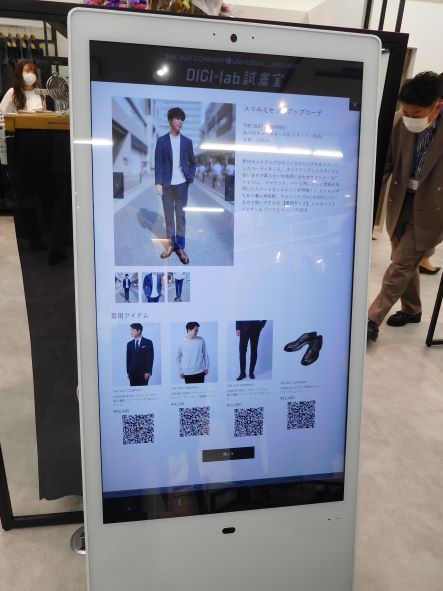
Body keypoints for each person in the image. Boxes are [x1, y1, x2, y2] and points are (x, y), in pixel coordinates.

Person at [367, 72, 443, 342]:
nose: (410, 117)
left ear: (436, 107)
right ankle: (412, 310)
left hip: (434, 206)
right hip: (401, 199)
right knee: (404, 257)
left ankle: (371, 320)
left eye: (417, 113)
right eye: (407, 111)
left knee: (401, 263)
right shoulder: (399, 121)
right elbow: (386, 163)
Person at [155, 107, 196, 265]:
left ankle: (181, 247)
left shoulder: (187, 142)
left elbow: (193, 162)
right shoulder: (162, 141)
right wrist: (158, 182)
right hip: (166, 185)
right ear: (170, 120)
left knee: (180, 217)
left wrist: (190, 178)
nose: (180, 122)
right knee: (168, 216)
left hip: (182, 185)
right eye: (177, 118)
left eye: (182, 119)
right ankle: (171, 245)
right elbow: (158, 163)